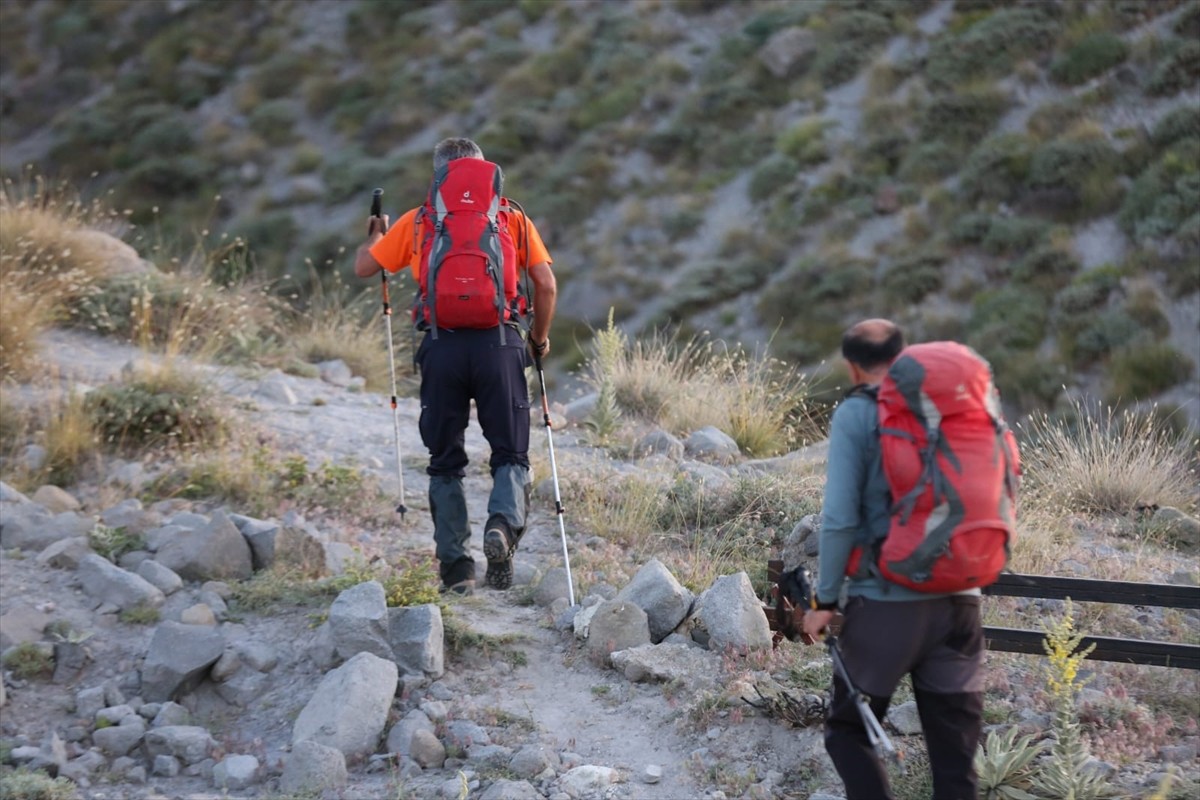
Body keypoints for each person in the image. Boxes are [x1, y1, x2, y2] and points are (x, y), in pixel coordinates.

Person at [354, 137, 557, 596]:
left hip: (441, 347)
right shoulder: (511, 218)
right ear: (485, 173)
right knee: (510, 453)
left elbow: (365, 267)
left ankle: (457, 571)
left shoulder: (420, 220)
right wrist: (538, 340)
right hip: (500, 345)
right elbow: (545, 285)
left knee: (445, 462)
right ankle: (502, 528)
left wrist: (375, 236)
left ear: (440, 176)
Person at [802, 319, 984, 800]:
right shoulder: (950, 407)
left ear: (851, 365)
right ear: (902, 355)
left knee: (848, 731)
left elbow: (839, 518)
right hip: (962, 602)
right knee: (955, 762)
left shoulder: (858, 413)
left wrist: (824, 599)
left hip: (889, 604)